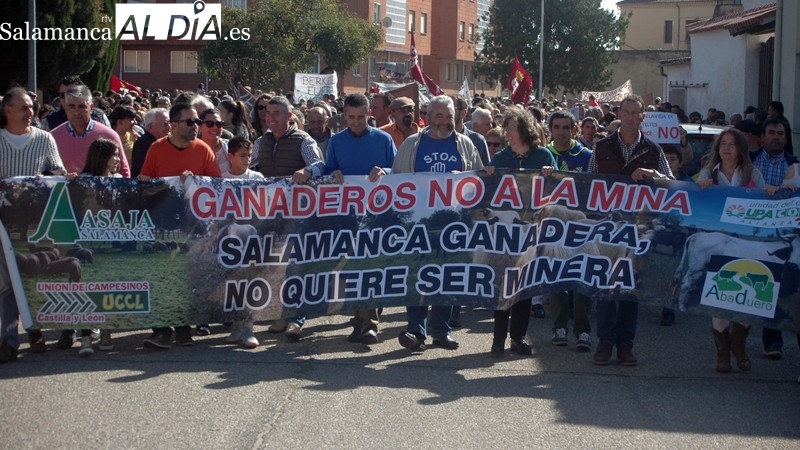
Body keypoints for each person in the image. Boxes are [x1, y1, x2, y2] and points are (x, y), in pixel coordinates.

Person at [392, 95, 484, 351]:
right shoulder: (412, 144)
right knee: (418, 275)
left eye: (449, 116)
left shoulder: (465, 145)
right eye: (439, 116)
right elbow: (396, 180)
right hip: (418, 223)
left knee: (448, 276)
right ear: (428, 117)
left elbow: (479, 183)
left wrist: (466, 178)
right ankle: (415, 331)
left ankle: (442, 331)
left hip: (454, 223)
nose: (444, 121)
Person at [587, 94, 674, 366]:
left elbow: (671, 183)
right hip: (607, 227)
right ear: (619, 114)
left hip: (638, 228)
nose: (629, 116)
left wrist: (652, 174)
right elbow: (588, 183)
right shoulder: (601, 147)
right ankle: (604, 341)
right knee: (605, 285)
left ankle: (625, 344)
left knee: (630, 286)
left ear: (642, 117)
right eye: (625, 111)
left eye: (635, 113)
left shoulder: (652, 150)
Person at [138, 102, 222, 349]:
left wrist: (198, 182)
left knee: (186, 277)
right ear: (173, 125)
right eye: (190, 122)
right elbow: (146, 184)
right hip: (163, 226)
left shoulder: (204, 150)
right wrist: (144, 183)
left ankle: (185, 329)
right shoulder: (156, 149)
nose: (195, 126)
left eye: (196, 121)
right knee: (163, 276)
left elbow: (217, 187)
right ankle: (162, 330)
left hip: (193, 227)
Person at [0, 88, 66, 361]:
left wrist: (44, 177)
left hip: (36, 223)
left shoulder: (44, 139)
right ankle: (9, 341)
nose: (31, 112)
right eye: (25, 107)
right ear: (8, 110)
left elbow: (59, 171)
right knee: (6, 283)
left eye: (32, 107)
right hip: (4, 223)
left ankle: (35, 330)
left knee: (32, 276)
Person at [326, 93, 397, 345]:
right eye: (350, 117)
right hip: (348, 216)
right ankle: (360, 320)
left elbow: (400, 173)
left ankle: (369, 324)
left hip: (378, 214)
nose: (355, 122)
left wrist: (385, 171)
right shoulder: (336, 142)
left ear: (369, 114)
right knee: (353, 269)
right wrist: (332, 174)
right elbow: (327, 172)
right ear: (343, 115)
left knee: (371, 267)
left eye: (360, 117)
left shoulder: (384, 139)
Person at [484, 108, 555, 356]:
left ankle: (518, 337)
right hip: (505, 233)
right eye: (506, 128)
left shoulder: (543, 155)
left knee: (524, 286)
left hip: (531, 232)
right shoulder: (501, 158)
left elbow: (557, 190)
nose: (507, 133)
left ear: (524, 130)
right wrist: (489, 175)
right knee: (504, 284)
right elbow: (488, 194)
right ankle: (498, 339)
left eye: (511, 128)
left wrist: (550, 175)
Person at [256, 96, 325, 341]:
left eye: (276, 113)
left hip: (297, 215)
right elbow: (252, 170)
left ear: (289, 116)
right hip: (268, 214)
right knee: (274, 266)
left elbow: (319, 165)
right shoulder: (260, 142)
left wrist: (307, 171)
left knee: (295, 267)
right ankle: (279, 314)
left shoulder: (303, 140)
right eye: (267, 112)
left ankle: (296, 319)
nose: (270, 117)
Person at [696, 128, 765, 372]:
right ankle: (723, 354)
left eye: (732, 144)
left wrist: (773, 193)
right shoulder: (708, 173)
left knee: (747, 300)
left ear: (740, 149)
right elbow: (695, 203)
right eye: (723, 144)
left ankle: (739, 346)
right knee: (718, 298)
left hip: (746, 246)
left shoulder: (753, 173)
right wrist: (701, 188)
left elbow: (765, 205)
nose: (726, 148)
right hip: (717, 246)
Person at [544, 110, 594, 351]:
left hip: (581, 227)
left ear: (574, 130)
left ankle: (583, 330)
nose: (561, 132)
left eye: (566, 127)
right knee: (557, 278)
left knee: (582, 277)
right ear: (550, 130)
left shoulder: (587, 156)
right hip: (554, 229)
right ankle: (559, 326)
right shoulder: (544, 156)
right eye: (557, 127)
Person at [750, 117, 799, 359]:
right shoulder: (749, 161)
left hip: (787, 236)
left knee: (786, 287)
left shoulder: (795, 165)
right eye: (771, 132)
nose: (776, 136)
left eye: (781, 133)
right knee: (764, 283)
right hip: (756, 233)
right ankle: (769, 339)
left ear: (786, 137)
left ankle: (779, 337)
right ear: (763, 136)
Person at [73, 138, 126, 355]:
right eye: (114, 155)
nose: (117, 159)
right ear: (101, 157)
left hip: (110, 242)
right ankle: (85, 336)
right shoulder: (83, 181)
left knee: (109, 284)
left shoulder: (121, 180)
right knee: (87, 286)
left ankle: (106, 330)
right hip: (87, 239)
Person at [220, 137, 264, 349]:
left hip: (252, 237)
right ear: (230, 157)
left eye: (249, 155)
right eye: (243, 156)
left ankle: (248, 326)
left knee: (249, 281)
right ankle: (237, 325)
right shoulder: (221, 180)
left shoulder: (257, 177)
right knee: (233, 283)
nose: (247, 160)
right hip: (230, 240)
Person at [51, 85, 131, 178]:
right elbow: (46, 172)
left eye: (82, 106)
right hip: (63, 192)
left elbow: (124, 173)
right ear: (65, 107)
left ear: (91, 107)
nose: (76, 112)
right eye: (72, 106)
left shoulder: (109, 136)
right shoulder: (53, 137)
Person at [130, 108, 170, 178]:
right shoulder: (142, 144)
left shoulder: (168, 141)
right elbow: (145, 171)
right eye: (165, 124)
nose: (169, 127)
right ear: (150, 126)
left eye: (169, 123)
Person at [198, 108, 230, 175]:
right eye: (209, 123)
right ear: (200, 126)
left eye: (219, 124)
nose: (215, 127)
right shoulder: (193, 148)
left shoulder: (230, 146)